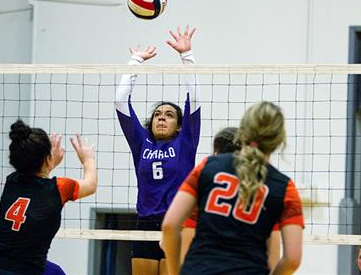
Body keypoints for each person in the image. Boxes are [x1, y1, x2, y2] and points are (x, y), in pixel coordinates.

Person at [161, 101, 304, 275]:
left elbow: (169, 225)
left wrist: (177, 272)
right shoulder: (285, 188)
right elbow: (293, 259)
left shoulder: (207, 167)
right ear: (280, 139)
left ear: (243, 131)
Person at [115, 26, 200, 275]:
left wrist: (187, 56)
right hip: (145, 222)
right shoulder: (141, 142)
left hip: (178, 223)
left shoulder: (185, 142)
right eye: (157, 115)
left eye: (169, 115)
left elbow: (194, 98)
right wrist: (135, 61)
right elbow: (120, 101)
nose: (161, 118)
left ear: (179, 125)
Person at [0, 119, 97, 275]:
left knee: (55, 271)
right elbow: (90, 185)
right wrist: (88, 158)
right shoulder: (59, 189)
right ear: (46, 159)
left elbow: (34, 178)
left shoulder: (11, 182)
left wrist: (47, 162)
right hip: (27, 271)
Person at [179, 127, 281, 271]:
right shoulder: (265, 191)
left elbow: (171, 233)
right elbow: (275, 259)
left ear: (215, 153)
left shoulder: (201, 185)